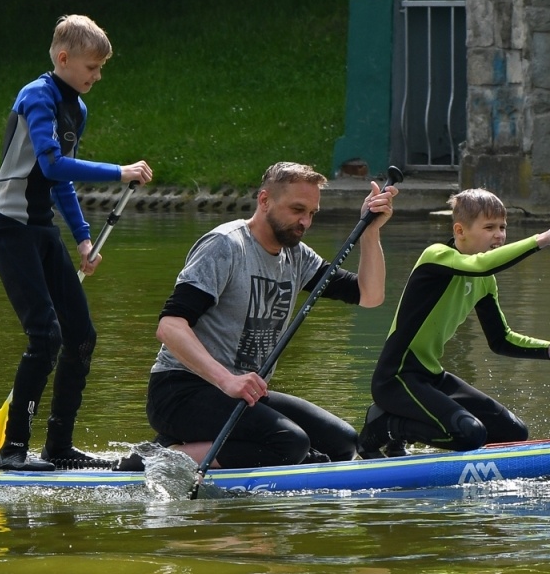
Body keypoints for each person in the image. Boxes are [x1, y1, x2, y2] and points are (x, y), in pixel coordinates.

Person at [0, 14, 152, 472]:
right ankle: (14, 450)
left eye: (101, 68)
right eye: (92, 67)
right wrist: (119, 172)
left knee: (81, 337)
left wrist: (82, 239)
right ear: (64, 58)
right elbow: (54, 164)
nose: (97, 76)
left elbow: (60, 186)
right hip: (9, 228)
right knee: (45, 337)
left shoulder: (77, 108)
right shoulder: (36, 97)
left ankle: (58, 446)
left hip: (41, 229)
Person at [146, 162, 395, 468]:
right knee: (290, 443)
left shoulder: (297, 255)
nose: (305, 221)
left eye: (311, 213)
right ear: (264, 201)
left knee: (342, 442)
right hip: (181, 392)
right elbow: (170, 326)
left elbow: (370, 296)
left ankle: (199, 449)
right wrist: (227, 381)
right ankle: (154, 460)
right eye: (297, 210)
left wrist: (370, 232)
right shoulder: (225, 246)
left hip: (241, 395)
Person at [357, 188, 550, 458]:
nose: (499, 234)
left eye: (502, 227)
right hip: (396, 379)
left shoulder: (485, 280)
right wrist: (542, 239)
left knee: (514, 433)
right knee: (470, 434)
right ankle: (385, 426)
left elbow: (501, 339)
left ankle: (401, 433)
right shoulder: (436, 256)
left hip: (430, 377)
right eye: (489, 227)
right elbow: (480, 265)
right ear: (460, 230)